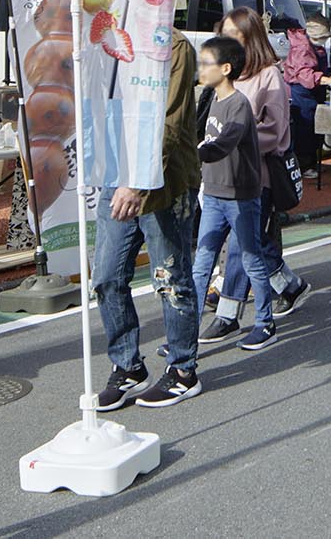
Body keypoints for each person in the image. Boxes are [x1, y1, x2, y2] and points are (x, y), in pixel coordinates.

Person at [91, 28, 205, 410]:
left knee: (171, 277)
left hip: (164, 179)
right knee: (106, 276)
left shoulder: (173, 46)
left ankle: (183, 369)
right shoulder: (106, 38)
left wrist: (138, 181)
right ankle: (127, 365)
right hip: (115, 173)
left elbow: (168, 123)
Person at [201, 9, 310, 347]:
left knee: (241, 247)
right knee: (248, 244)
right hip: (218, 177)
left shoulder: (268, 77)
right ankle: (289, 285)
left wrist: (232, 143)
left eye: (236, 34)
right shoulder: (222, 76)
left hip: (253, 175)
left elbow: (276, 133)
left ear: (251, 38)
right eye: (225, 32)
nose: (228, 39)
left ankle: (228, 315)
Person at [193, 35, 281, 354]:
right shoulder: (209, 98)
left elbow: (224, 142)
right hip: (214, 195)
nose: (201, 68)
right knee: (202, 262)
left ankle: (265, 323)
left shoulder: (239, 105)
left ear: (226, 68)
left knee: (251, 259)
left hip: (242, 197)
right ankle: (185, 332)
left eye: (206, 63)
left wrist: (196, 154)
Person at [283, 14, 331, 180]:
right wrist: (325, 79)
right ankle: (303, 166)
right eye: (323, 37)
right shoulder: (302, 47)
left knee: (314, 128)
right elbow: (304, 74)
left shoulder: (315, 46)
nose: (324, 40)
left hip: (314, 92)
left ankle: (311, 162)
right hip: (301, 91)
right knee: (304, 129)